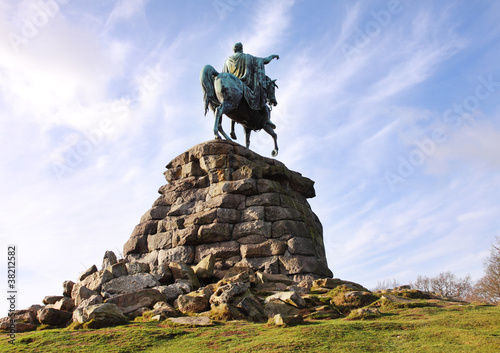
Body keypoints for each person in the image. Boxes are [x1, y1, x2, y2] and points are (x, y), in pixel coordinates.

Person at [222, 42, 279, 115]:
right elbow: (264, 60)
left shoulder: (227, 61)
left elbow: (224, 75)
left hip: (231, 87)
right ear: (241, 49)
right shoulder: (248, 57)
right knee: (259, 87)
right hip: (245, 83)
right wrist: (272, 56)